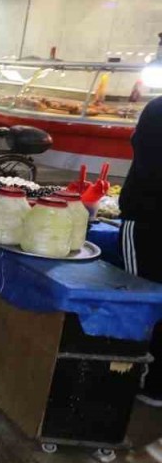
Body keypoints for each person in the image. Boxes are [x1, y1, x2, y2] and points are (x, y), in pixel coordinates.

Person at [119, 96, 162, 404]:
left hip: (146, 217)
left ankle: (146, 382)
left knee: (142, 296)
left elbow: (145, 158)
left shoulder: (157, 109)